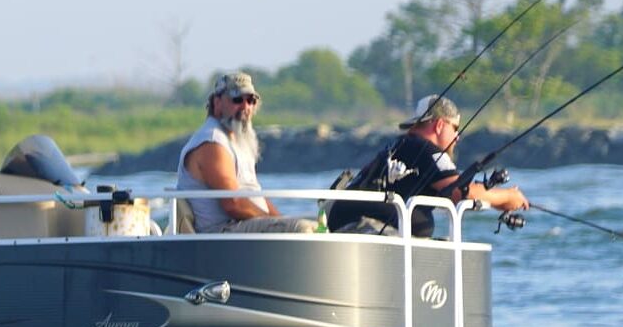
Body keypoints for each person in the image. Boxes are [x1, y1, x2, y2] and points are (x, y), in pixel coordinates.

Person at [326, 94, 528, 237]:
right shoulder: (427, 151)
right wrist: (507, 196)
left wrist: (497, 200)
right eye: (454, 128)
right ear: (439, 125)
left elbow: (453, 188)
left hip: (347, 222)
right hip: (363, 229)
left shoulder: (404, 146)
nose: (457, 137)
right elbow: (460, 192)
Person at [176, 72, 316, 233]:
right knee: (302, 229)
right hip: (224, 232)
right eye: (237, 100)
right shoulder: (212, 143)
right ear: (217, 102)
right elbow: (233, 203)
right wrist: (277, 223)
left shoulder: (236, 140)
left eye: (251, 100)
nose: (245, 107)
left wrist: (281, 220)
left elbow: (255, 195)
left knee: (322, 226)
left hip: (245, 228)